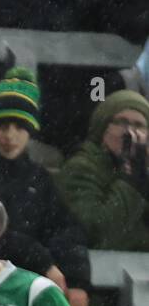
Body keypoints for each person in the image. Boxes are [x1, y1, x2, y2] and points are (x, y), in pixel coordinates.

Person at [0, 68, 92, 306]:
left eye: (20, 126)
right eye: (2, 126)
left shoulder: (38, 178)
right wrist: (44, 263)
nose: (10, 135)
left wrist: (78, 280)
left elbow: (65, 229)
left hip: (27, 290)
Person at [57, 90, 149, 252]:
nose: (129, 132)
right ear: (103, 127)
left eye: (138, 125)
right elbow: (97, 233)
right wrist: (131, 180)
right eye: (121, 122)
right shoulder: (81, 168)